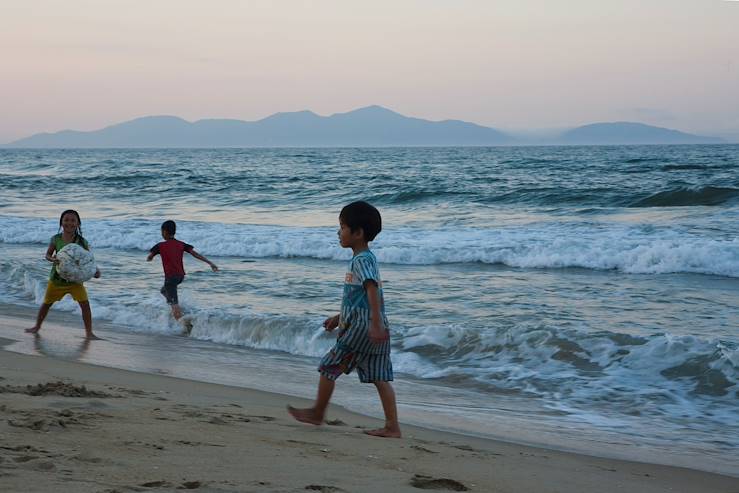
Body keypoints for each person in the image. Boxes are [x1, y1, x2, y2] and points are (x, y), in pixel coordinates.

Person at [288, 201, 401, 438]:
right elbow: (361, 296)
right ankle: (392, 426)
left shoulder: (361, 260)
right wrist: (339, 317)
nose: (338, 232)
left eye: (342, 227)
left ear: (358, 233)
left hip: (362, 328)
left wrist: (374, 324)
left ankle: (318, 413)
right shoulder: (366, 259)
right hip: (371, 325)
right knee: (380, 377)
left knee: (329, 366)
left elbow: (372, 290)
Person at [25, 209, 101, 339]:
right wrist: (52, 259)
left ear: (78, 224)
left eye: (73, 220)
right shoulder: (56, 239)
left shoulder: (82, 242)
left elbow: (87, 259)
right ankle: (37, 327)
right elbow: (48, 254)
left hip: (75, 281)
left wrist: (95, 270)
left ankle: (89, 333)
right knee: (47, 304)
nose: (69, 223)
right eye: (66, 220)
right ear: (61, 222)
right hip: (56, 280)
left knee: (85, 305)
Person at [147, 220, 218, 322]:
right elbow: (195, 254)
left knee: (173, 302)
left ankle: (184, 324)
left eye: (162, 232)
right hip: (180, 276)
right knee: (163, 291)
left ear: (165, 232)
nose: (162, 234)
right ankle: (178, 309)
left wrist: (150, 258)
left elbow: (150, 256)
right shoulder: (181, 244)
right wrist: (210, 263)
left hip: (170, 278)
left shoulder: (160, 246)